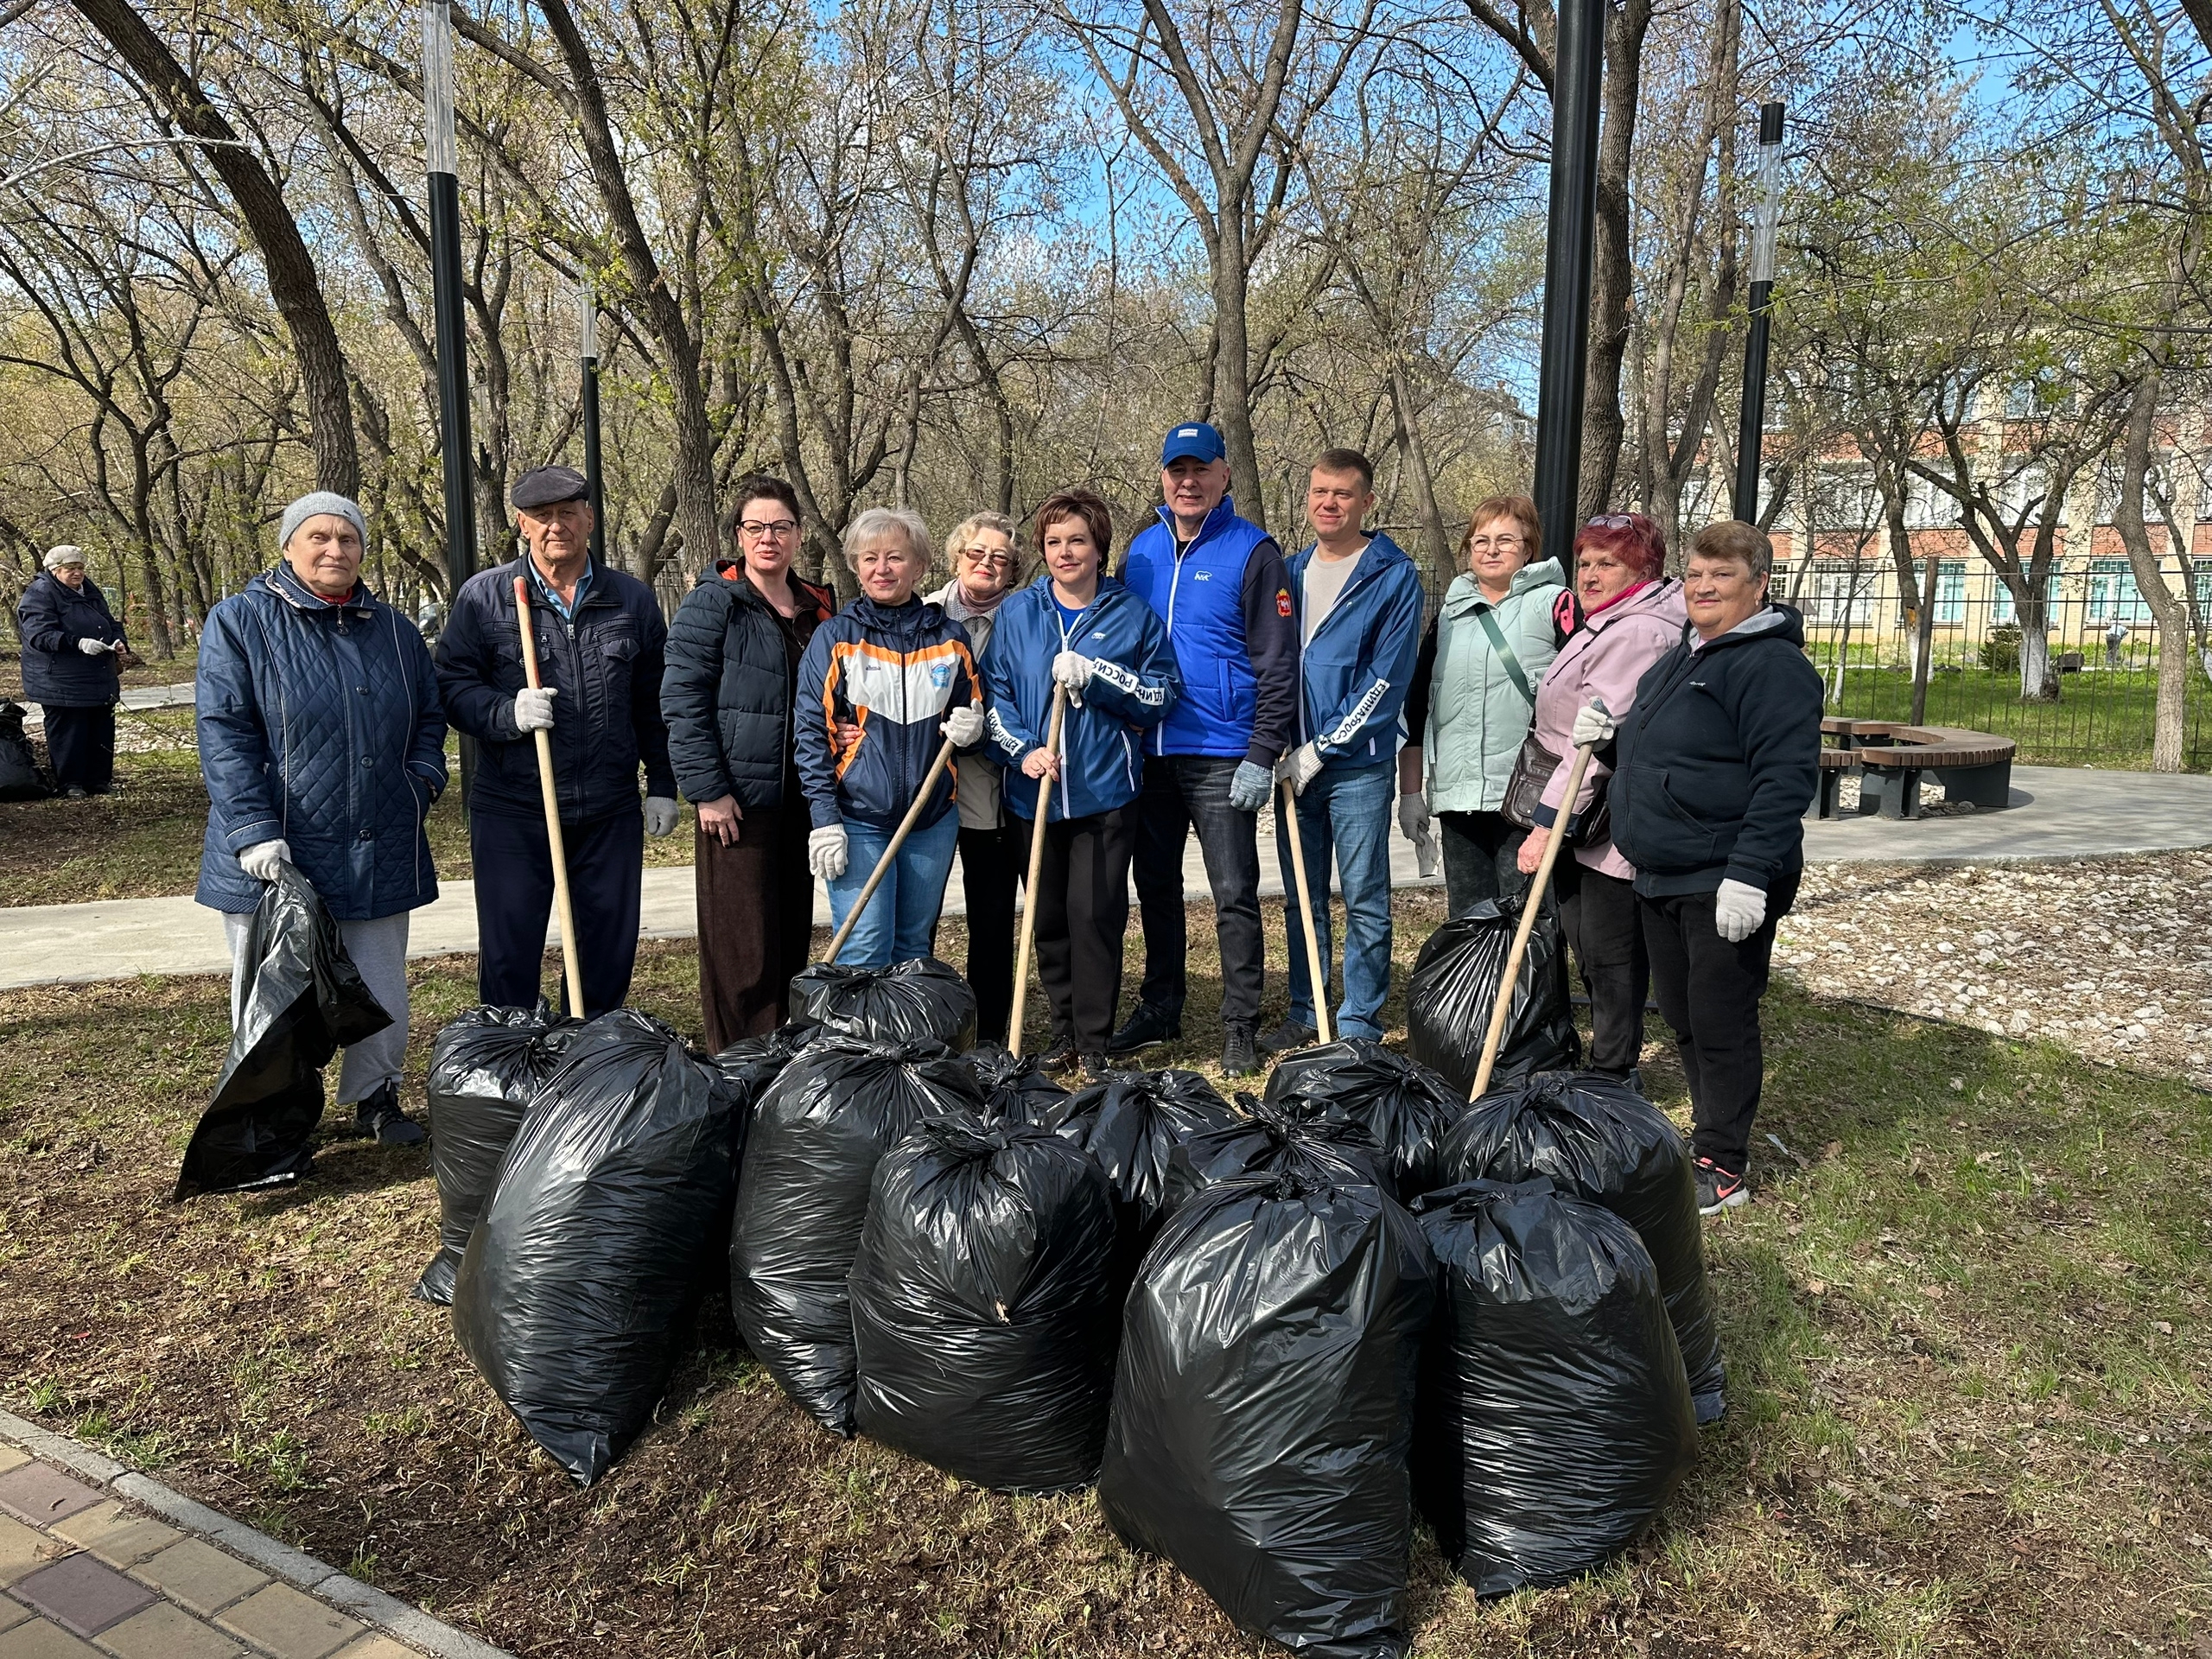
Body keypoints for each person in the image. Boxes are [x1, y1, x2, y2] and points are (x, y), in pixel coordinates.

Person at [195, 492, 447, 1144]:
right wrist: (252, 829)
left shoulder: (395, 630)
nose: (335, 549)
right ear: (288, 546)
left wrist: (420, 785)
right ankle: (273, 1116)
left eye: (349, 538)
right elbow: (223, 730)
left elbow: (429, 719)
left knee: (381, 982)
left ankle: (376, 1096)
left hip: (379, 834)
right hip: (275, 846)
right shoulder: (240, 621)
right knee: (274, 995)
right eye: (319, 537)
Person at [1587, 518, 1821, 1215]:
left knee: (1721, 1018)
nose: (1704, 587)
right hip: (1660, 871)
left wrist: (1750, 872)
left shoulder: (1773, 667)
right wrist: (1609, 745)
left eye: (1722, 576)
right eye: (1694, 575)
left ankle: (1723, 1164)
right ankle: (1706, 1134)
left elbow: (1785, 780)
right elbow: (1656, 752)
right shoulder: (1685, 656)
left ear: (1759, 585)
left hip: (1723, 876)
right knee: (1685, 1015)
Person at [436, 465, 678, 1017]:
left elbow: (653, 702)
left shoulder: (631, 601)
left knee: (608, 951)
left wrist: (662, 784)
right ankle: (509, 1061)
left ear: (588, 519)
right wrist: (505, 712)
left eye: (567, 514)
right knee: (509, 950)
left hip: (607, 809)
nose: (555, 527)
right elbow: (450, 687)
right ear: (521, 525)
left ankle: (587, 1063)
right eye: (541, 517)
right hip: (514, 807)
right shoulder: (485, 598)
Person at [1113, 422, 1300, 1076]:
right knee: (1155, 887)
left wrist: (1261, 750)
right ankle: (1161, 1006)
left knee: (1232, 894)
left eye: (1201, 470)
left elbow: (1278, 663)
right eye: (1176, 471)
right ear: (1163, 478)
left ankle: (1239, 1023)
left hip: (1223, 752)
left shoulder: (1254, 552)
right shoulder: (1140, 553)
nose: (1187, 482)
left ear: (1223, 476)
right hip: (1149, 750)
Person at [981, 488, 1179, 1075]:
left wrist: (1099, 676)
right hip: (1032, 798)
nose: (1066, 552)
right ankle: (1062, 1033)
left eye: (1078, 541)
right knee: (1049, 921)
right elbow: (996, 697)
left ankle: (1094, 1042)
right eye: (1054, 542)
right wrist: (1024, 752)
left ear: (1098, 548)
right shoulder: (1018, 613)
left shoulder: (1130, 613)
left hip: (1105, 796)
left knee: (1095, 918)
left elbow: (1159, 694)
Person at [661, 474, 837, 1050]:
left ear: (798, 534)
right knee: (743, 945)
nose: (769, 538)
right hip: (737, 801)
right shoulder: (714, 603)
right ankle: (739, 1060)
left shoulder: (818, 608)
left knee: (788, 932)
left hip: (802, 798)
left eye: (780, 527)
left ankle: (782, 1052)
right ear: (738, 535)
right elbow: (682, 702)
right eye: (756, 527)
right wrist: (707, 789)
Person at [1262, 449, 1424, 1052]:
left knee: (1364, 897)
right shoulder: (1287, 571)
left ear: (1367, 502)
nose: (1328, 504)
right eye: (1319, 492)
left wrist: (1321, 749)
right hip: (1289, 766)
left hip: (1355, 766)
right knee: (1303, 896)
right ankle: (1308, 1010)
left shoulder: (1392, 576)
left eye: (1343, 494)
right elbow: (1269, 662)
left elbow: (1385, 683)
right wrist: (1278, 742)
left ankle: (1358, 1022)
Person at [1516, 512, 1686, 1085]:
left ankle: (1614, 1072)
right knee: (1586, 938)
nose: (1589, 574)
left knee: (1609, 949)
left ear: (1642, 568)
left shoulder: (1640, 631)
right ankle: (1607, 1059)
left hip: (1605, 811)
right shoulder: (1613, 618)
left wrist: (1546, 826)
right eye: (1585, 561)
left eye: (1606, 562)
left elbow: (1595, 741)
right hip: (1582, 808)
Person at [795, 506, 982, 969]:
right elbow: (810, 732)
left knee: (913, 948)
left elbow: (973, 720)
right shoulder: (836, 637)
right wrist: (824, 820)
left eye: (895, 557)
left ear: (919, 566)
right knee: (863, 947)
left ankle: (905, 1043)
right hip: (858, 818)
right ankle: (858, 1043)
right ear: (857, 567)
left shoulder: (951, 639)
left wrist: (974, 730)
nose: (882, 569)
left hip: (932, 818)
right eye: (869, 558)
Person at [1399, 493, 1567, 914]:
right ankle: (1478, 986)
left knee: (1529, 920)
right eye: (1480, 540)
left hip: (1526, 799)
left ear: (1529, 548)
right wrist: (1411, 793)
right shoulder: (1448, 617)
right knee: (1470, 921)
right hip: (1459, 798)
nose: (1491, 550)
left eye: (1506, 540)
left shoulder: (1557, 606)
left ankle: (1530, 986)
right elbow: (1418, 708)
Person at [925, 512, 1022, 1043]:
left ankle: (989, 1032)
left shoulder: (1025, 617)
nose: (986, 564)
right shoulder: (925, 615)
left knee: (990, 918)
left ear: (1012, 571)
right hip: (931, 790)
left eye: (1000, 559)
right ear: (956, 557)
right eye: (976, 554)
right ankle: (922, 1021)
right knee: (922, 915)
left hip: (994, 793)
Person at [16, 545, 127, 797]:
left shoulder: (90, 590)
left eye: (80, 568)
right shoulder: (40, 594)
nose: (77, 573)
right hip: (59, 679)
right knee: (70, 733)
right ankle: (70, 784)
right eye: (70, 569)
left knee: (101, 729)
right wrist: (78, 642)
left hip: (97, 675)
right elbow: (39, 635)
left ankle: (99, 782)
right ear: (55, 570)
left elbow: (110, 622)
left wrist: (119, 641)